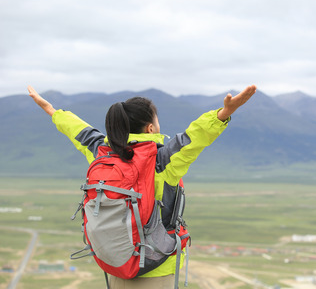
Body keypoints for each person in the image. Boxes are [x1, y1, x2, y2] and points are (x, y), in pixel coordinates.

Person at [28, 84, 256, 288]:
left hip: (117, 262)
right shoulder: (163, 161)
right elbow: (195, 136)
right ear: (150, 128)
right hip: (158, 267)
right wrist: (225, 113)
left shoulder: (102, 153)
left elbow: (78, 131)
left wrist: (52, 111)